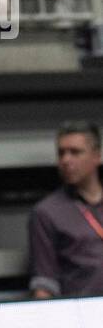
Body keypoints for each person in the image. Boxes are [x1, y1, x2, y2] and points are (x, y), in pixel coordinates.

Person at [29, 123, 103, 300]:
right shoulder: (47, 212)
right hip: (83, 312)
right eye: (61, 153)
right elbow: (44, 283)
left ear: (97, 156)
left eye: (75, 152)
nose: (66, 160)